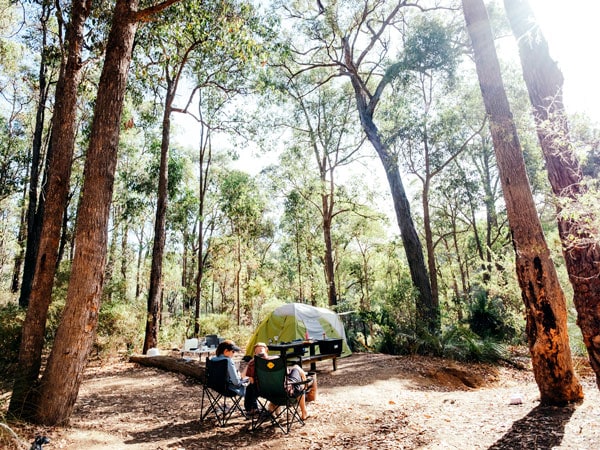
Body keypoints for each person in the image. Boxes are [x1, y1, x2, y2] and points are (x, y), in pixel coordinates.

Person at [242, 342, 309, 420]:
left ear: (255, 353)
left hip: (264, 392)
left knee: (291, 375)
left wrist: (251, 362)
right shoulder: (276, 360)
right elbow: (286, 372)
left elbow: (246, 377)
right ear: (267, 350)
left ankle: (273, 407)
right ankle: (304, 412)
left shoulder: (252, 363)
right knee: (297, 373)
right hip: (283, 391)